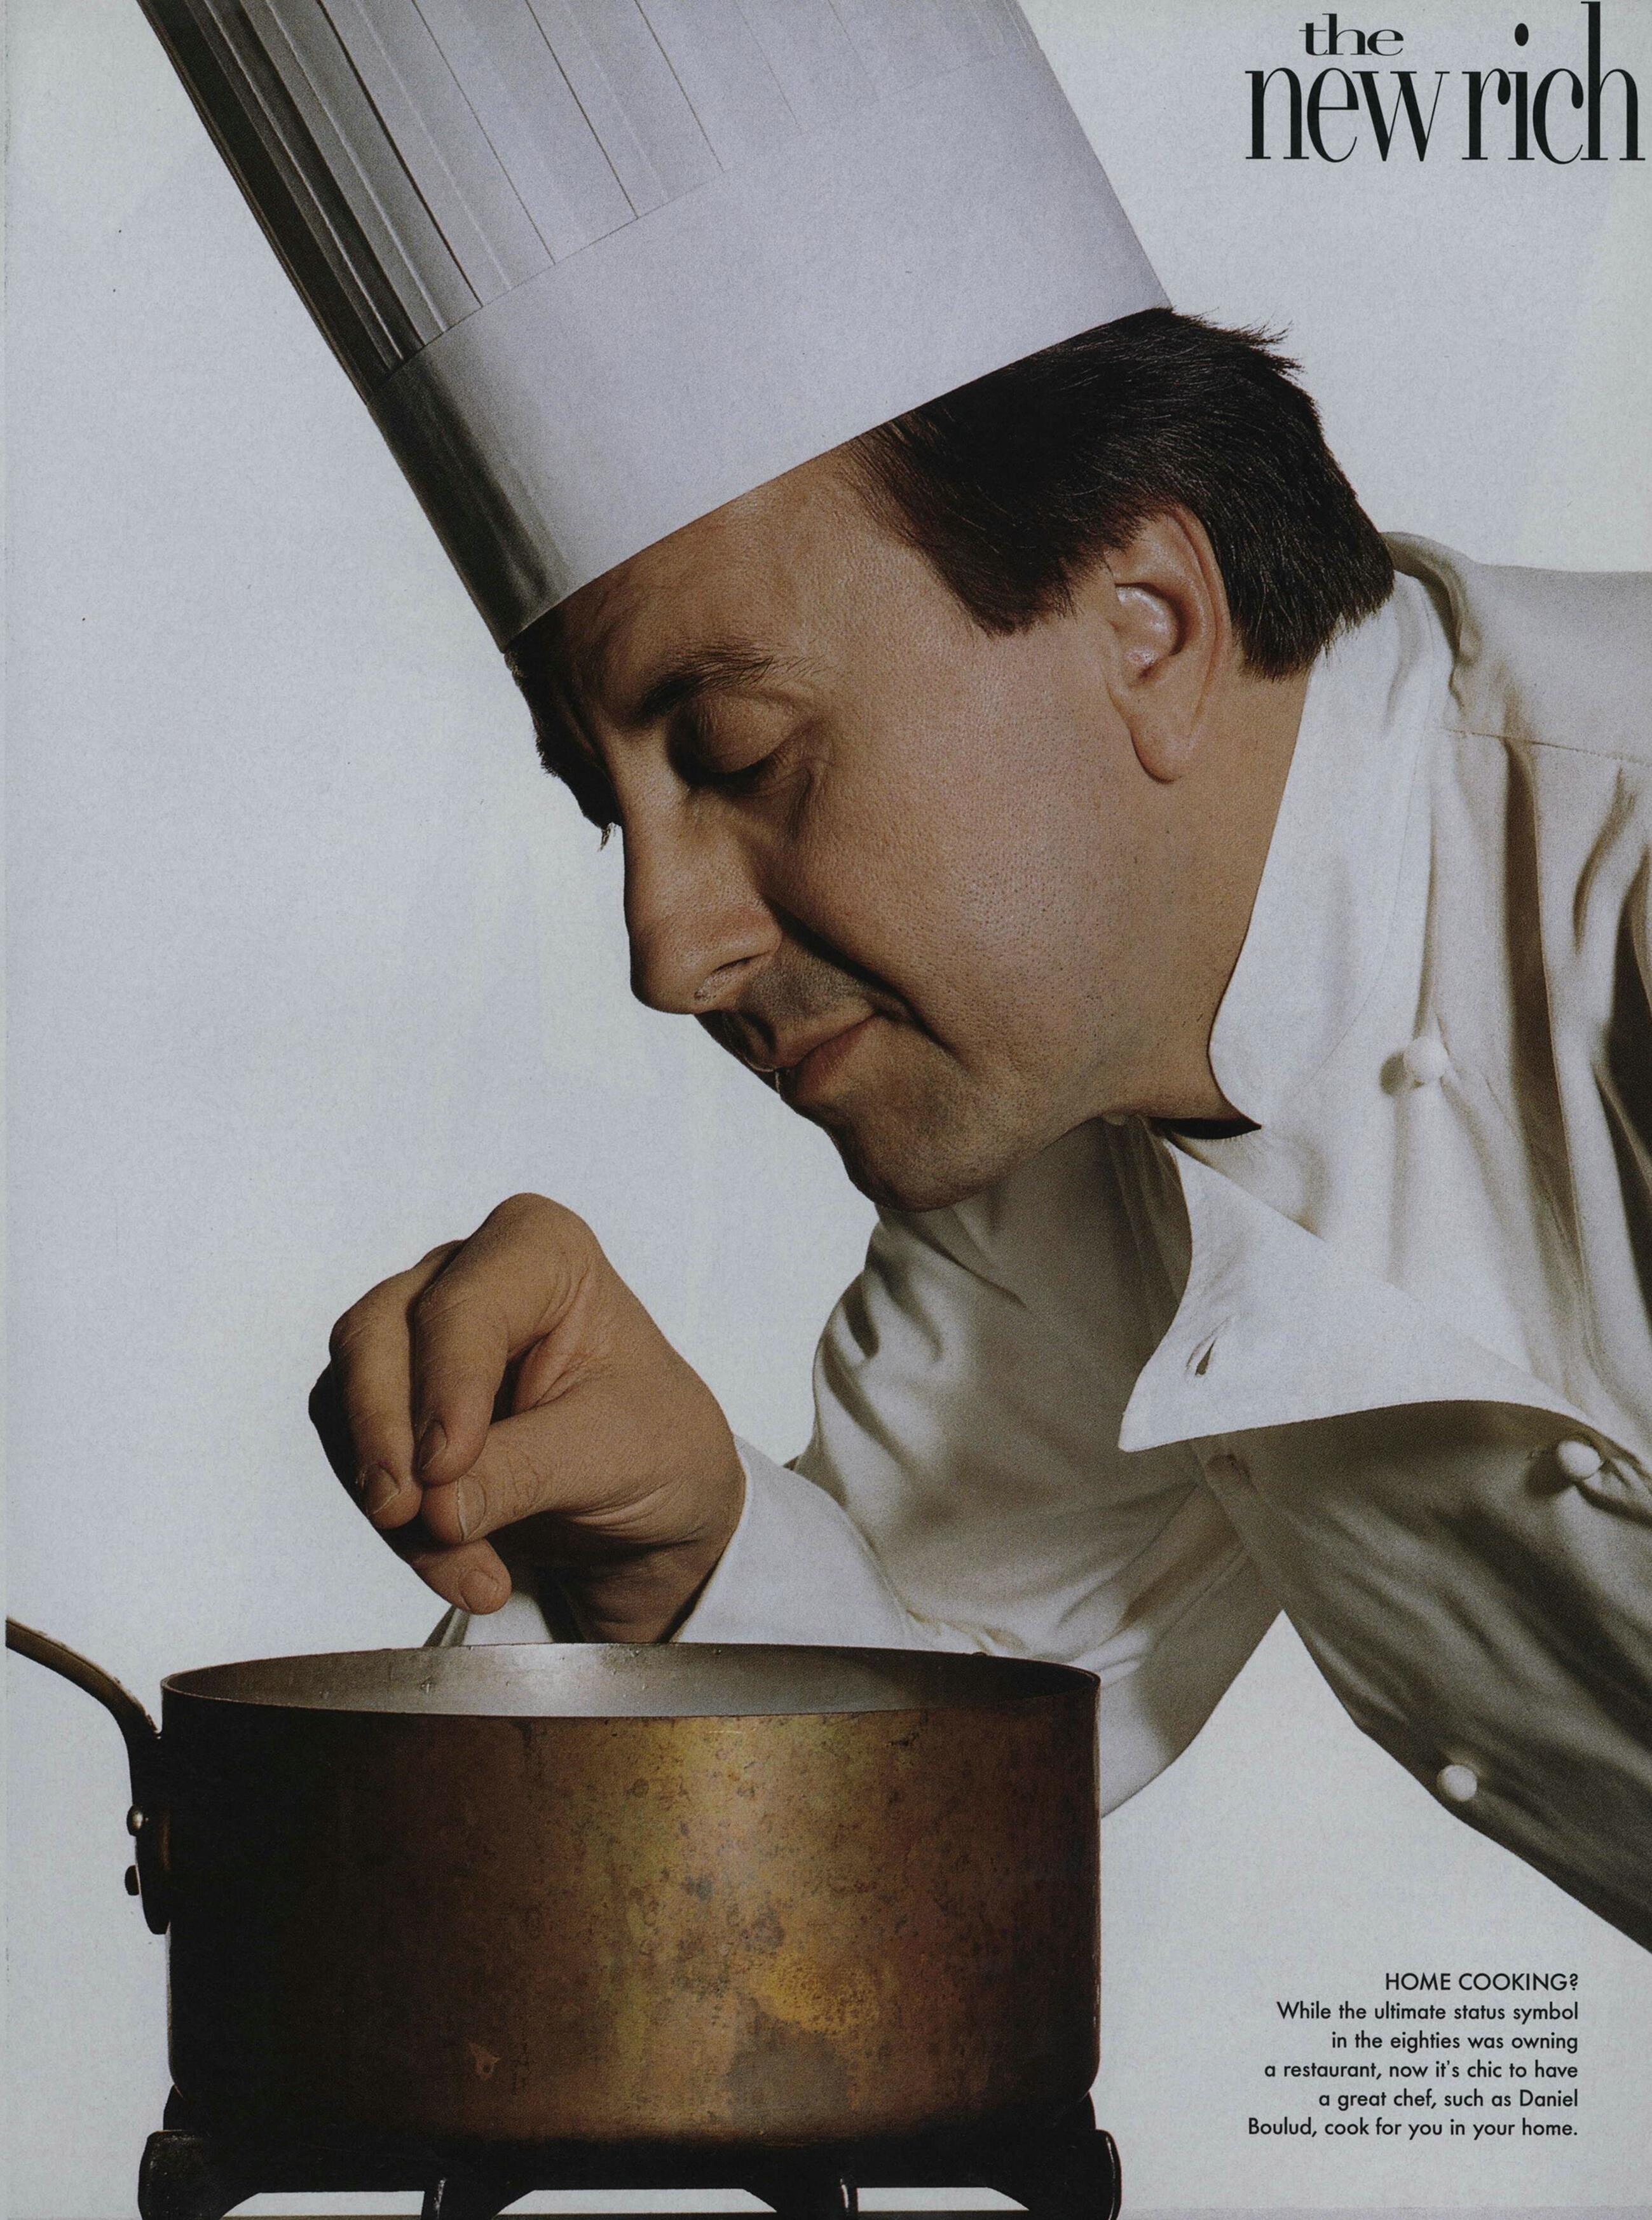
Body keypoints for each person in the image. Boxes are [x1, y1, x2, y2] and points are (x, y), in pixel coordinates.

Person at [139, 1, 1651, 1950]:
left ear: (1148, 624)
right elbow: (937, 1747)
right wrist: (677, 1543)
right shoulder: (1070, 1115)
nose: (666, 950)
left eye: (738, 753)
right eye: (611, 811)